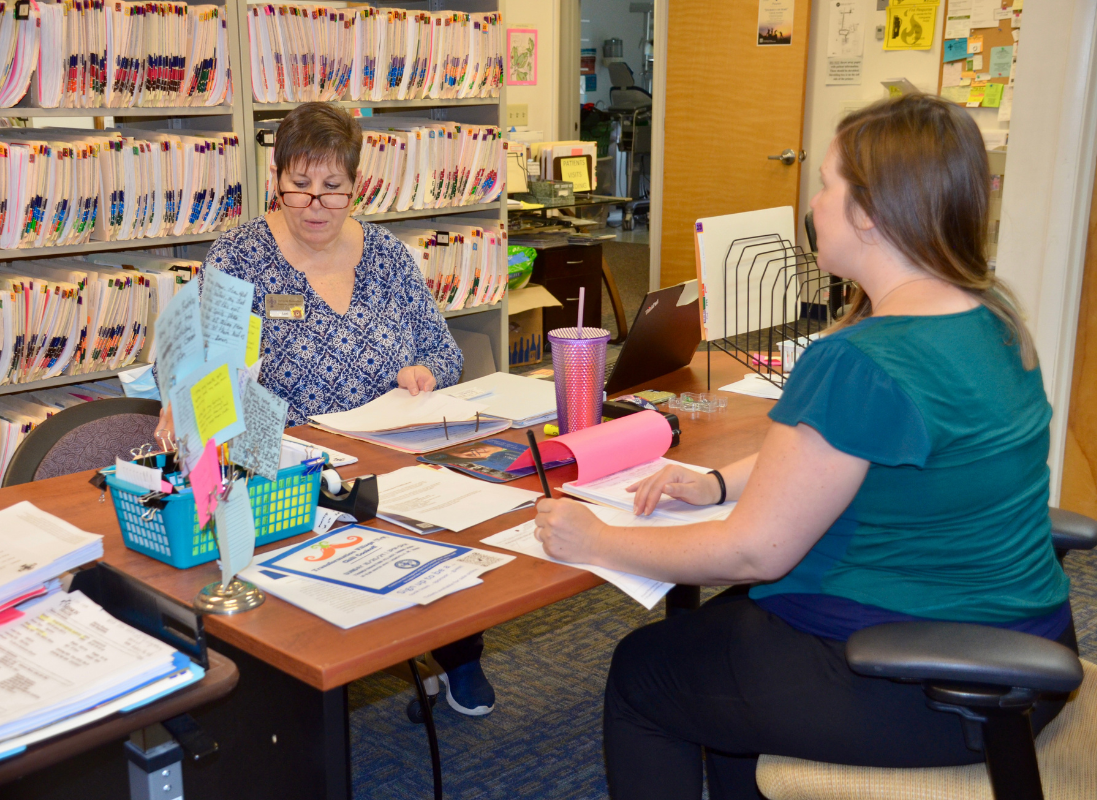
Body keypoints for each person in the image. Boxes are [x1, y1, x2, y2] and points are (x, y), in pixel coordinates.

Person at [532, 94, 1075, 799]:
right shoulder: (992, 320)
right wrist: (721, 482)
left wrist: (597, 540)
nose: (813, 203)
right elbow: (850, 449)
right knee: (725, 634)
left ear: (871, 211)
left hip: (928, 685)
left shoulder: (862, 358)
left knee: (646, 672)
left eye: (826, 184)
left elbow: (757, 552)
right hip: (1024, 655)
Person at [154, 102, 495, 716]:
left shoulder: (387, 255)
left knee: (452, 516)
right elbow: (194, 361)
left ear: (355, 186)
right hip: (294, 467)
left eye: (333, 189)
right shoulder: (241, 258)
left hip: (393, 447)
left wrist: (425, 373)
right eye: (300, 187)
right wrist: (186, 399)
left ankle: (456, 649)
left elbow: (444, 352)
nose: (315, 204)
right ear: (276, 180)